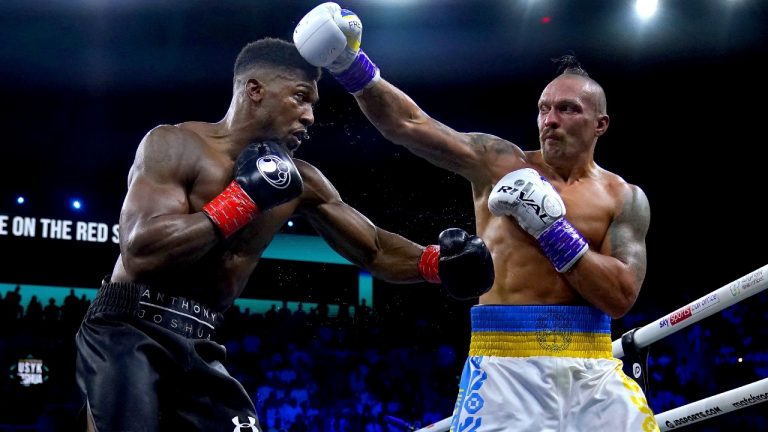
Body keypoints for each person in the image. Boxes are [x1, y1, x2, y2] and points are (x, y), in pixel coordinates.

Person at [74, 37, 495, 431]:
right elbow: (141, 252)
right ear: (254, 90)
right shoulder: (174, 144)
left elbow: (375, 249)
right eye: (300, 97)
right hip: (129, 327)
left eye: (313, 103)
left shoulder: (302, 182)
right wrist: (244, 200)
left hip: (199, 341)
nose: (310, 115)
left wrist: (435, 263)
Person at [293, 4, 656, 431]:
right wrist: (348, 64)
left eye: (567, 109)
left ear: (601, 123)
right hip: (507, 366)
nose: (550, 121)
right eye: (544, 109)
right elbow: (409, 125)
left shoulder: (624, 197)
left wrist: (552, 231)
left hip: (594, 366)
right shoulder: (501, 163)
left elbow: (619, 298)